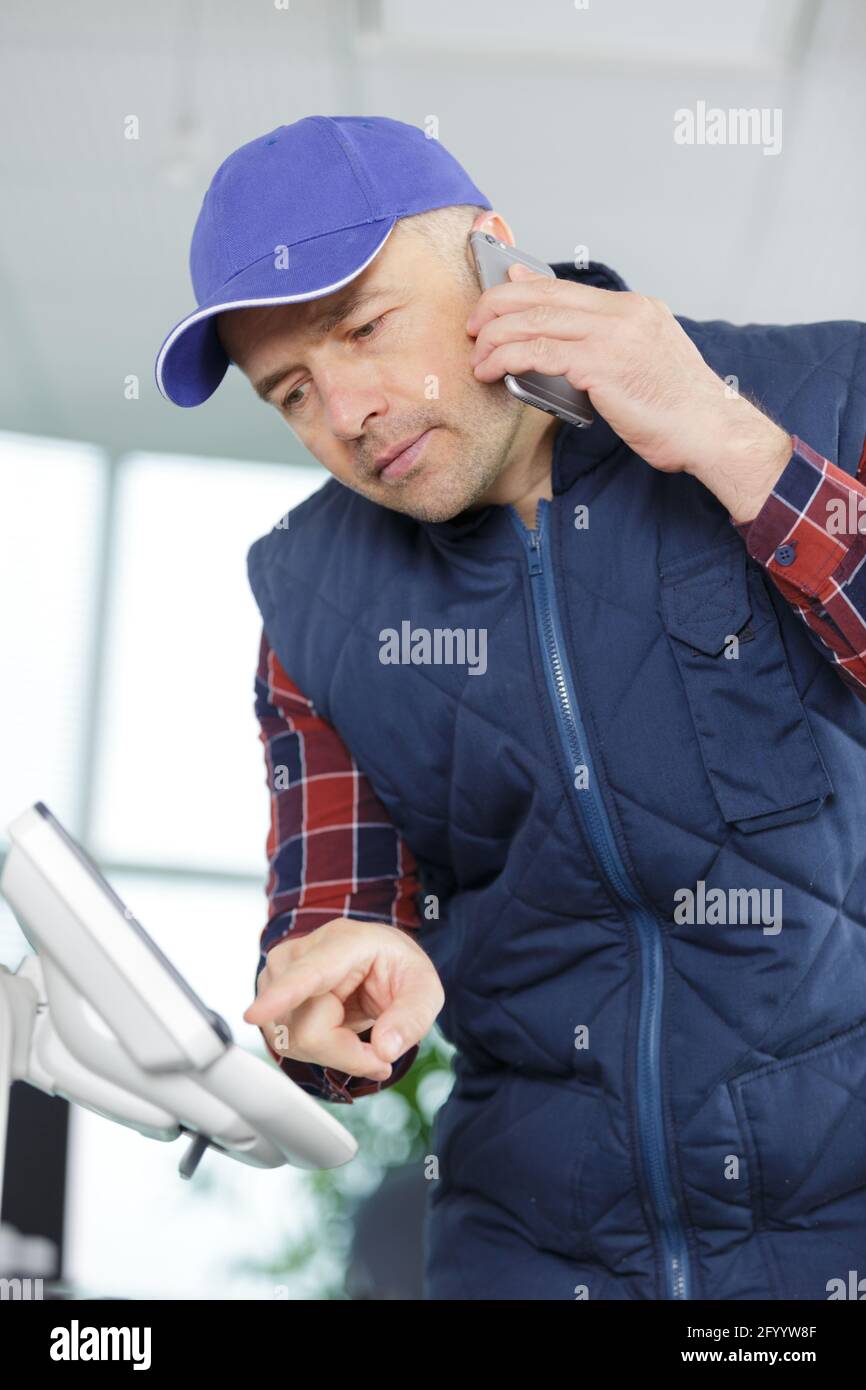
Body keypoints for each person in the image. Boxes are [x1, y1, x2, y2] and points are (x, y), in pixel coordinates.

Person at [155, 115, 866, 1301]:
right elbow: (329, 942)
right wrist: (336, 1008)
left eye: (364, 328)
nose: (346, 411)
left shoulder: (824, 393)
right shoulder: (309, 601)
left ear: (490, 252)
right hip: (531, 1254)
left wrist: (727, 443)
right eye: (290, 391)